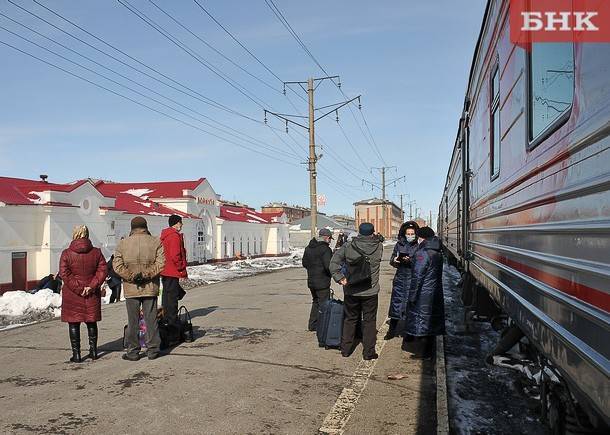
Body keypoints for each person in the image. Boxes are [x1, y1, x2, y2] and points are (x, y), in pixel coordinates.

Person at [114, 217, 165, 361]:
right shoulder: (156, 242)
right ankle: (153, 350)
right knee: (151, 319)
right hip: (150, 286)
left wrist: (131, 276)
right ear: (145, 226)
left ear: (132, 228)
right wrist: (146, 275)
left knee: (133, 320)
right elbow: (161, 263)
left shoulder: (123, 243)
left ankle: (133, 351)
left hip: (131, 288)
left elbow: (117, 265)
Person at [330, 222, 384, 360]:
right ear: (373, 232)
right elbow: (379, 238)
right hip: (370, 292)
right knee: (369, 321)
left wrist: (340, 278)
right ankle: (368, 352)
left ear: (359, 232)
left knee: (350, 319)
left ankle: (346, 349)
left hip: (351, 290)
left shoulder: (348, 246)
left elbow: (334, 262)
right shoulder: (378, 246)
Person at [59, 225, 107, 363]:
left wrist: (79, 288)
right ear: (87, 234)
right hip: (91, 293)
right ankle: (93, 351)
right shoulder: (97, 252)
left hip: (72, 294)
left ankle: (77, 354)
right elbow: (102, 271)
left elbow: (65, 274)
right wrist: (91, 286)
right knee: (91, 322)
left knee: (74, 323)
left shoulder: (66, 254)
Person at [404, 226, 445, 359]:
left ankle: (425, 353)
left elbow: (417, 277)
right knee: (431, 322)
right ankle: (429, 351)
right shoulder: (437, 251)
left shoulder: (423, 253)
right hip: (435, 292)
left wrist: (412, 295)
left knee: (423, 322)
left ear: (422, 238)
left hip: (423, 294)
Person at [385, 221, 420, 340]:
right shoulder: (398, 245)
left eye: (412, 234)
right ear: (404, 234)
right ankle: (391, 331)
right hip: (400, 278)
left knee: (410, 306)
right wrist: (396, 260)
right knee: (396, 304)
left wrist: (411, 260)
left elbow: (420, 261)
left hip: (412, 279)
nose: (410, 236)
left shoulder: (418, 246)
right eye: (408, 234)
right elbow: (391, 260)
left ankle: (409, 333)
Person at [302, 228, 333, 331]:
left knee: (315, 302)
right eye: (330, 239)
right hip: (322, 282)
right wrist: (331, 275)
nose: (330, 241)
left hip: (311, 281)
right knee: (324, 304)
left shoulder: (308, 248)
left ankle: (312, 325)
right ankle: (323, 327)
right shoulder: (325, 249)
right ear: (326, 237)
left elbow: (304, 263)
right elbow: (328, 266)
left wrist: (313, 270)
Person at [160, 214, 188, 330]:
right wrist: (181, 267)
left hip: (165, 270)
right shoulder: (174, 236)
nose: (181, 225)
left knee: (166, 296)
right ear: (176, 223)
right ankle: (172, 321)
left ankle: (166, 317)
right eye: (180, 222)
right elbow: (175, 255)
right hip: (172, 270)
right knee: (172, 297)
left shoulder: (166, 235)